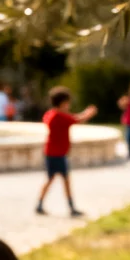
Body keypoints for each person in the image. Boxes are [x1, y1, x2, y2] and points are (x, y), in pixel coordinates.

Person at [35, 87, 98, 217]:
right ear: (63, 103)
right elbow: (78, 119)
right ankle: (71, 207)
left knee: (51, 178)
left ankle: (40, 204)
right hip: (57, 154)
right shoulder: (60, 117)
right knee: (64, 180)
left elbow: (71, 118)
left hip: (51, 153)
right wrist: (89, 113)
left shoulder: (50, 114)